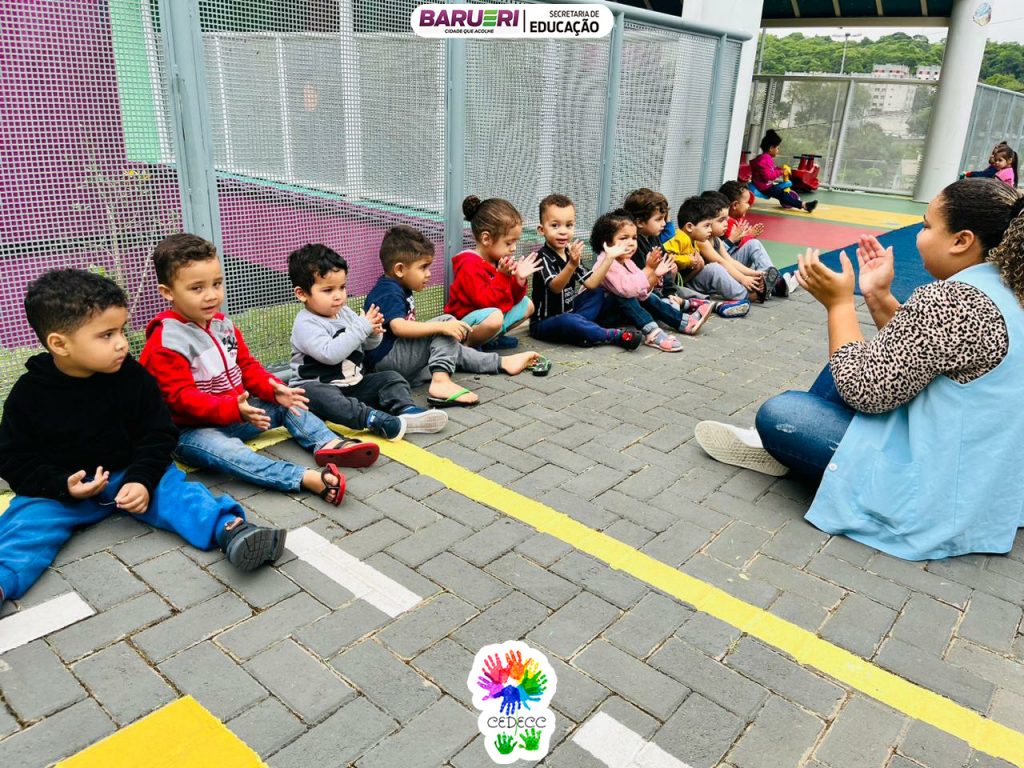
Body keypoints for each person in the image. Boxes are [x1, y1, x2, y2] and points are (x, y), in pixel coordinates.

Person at [695, 177, 1024, 560]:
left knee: (782, 415)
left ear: (961, 240)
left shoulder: (954, 300)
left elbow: (863, 390)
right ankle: (786, 449)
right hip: (979, 477)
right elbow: (921, 351)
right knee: (854, 356)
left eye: (926, 226)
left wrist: (839, 304)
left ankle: (782, 448)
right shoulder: (1007, 289)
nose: (919, 235)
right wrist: (878, 295)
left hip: (933, 488)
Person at [0, 270, 286, 607]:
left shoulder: (132, 377)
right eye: (106, 335)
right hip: (61, 491)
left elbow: (159, 433)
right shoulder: (29, 395)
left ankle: (231, 530)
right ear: (60, 344)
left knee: (178, 494)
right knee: (25, 526)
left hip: (131, 473)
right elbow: (13, 458)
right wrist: (61, 485)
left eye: (122, 330)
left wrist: (141, 479)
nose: (122, 343)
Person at [141, 234, 357, 507]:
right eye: (197, 288)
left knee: (287, 403)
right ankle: (303, 478)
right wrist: (234, 408)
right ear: (167, 292)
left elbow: (246, 366)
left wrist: (273, 389)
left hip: (238, 414)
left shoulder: (222, 324)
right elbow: (181, 399)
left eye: (216, 284)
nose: (211, 295)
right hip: (190, 431)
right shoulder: (166, 343)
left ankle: (327, 443)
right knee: (231, 453)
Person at [364, 225, 539, 408]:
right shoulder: (388, 291)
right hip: (388, 361)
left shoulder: (398, 287)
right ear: (400, 269)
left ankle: (501, 363)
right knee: (446, 323)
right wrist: (441, 326)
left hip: (399, 363)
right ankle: (441, 381)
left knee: (451, 347)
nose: (428, 273)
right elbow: (399, 327)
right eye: (423, 267)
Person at [287, 243, 448, 439]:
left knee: (391, 378)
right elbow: (330, 354)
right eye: (328, 290)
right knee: (312, 392)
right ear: (302, 294)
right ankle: (373, 419)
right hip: (320, 390)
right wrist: (362, 327)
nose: (338, 296)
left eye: (342, 287)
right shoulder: (305, 324)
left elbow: (365, 346)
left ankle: (406, 411)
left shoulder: (344, 313)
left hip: (353, 385)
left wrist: (373, 334)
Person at [527, 193, 642, 349]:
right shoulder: (542, 256)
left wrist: (609, 258)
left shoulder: (570, 253)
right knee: (568, 321)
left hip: (572, 312)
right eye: (555, 225)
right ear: (541, 230)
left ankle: (583, 331)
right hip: (545, 323)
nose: (563, 231)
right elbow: (555, 287)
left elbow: (592, 283)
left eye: (569, 225)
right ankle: (611, 335)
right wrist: (571, 265)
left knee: (597, 292)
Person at [591, 209, 712, 349]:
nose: (631, 243)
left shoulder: (627, 261)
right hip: (598, 315)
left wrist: (656, 274)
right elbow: (627, 290)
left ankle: (683, 322)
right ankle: (652, 333)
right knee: (624, 296)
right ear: (606, 243)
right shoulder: (606, 262)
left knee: (648, 297)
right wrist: (649, 269)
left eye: (634, 238)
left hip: (620, 312)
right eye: (624, 238)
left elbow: (642, 292)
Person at [444, 196, 538, 350]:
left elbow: (509, 299)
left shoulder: (498, 261)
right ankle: (466, 348)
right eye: (509, 242)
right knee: (495, 318)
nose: (514, 248)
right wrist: (503, 277)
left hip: (492, 314)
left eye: (516, 241)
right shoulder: (469, 264)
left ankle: (490, 340)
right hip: (465, 323)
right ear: (486, 239)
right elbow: (485, 302)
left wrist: (519, 280)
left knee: (527, 305)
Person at [663, 196, 751, 317]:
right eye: (707, 226)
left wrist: (698, 266)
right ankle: (742, 296)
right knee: (714, 269)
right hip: (672, 285)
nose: (710, 229)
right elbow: (667, 256)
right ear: (689, 227)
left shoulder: (694, 241)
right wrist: (688, 260)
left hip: (683, 283)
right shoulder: (680, 238)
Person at [701, 190, 781, 303]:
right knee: (715, 268)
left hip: (725, 273)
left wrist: (756, 274)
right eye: (721, 220)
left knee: (754, 244)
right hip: (707, 282)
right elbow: (721, 262)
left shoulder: (716, 239)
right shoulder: (702, 241)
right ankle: (748, 294)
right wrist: (743, 278)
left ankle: (766, 280)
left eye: (726, 219)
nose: (726, 223)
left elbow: (730, 261)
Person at [749, 130, 818, 213]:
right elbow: (768, 176)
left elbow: (772, 169)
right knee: (782, 194)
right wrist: (781, 171)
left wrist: (780, 169)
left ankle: (794, 201)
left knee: (781, 192)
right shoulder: (765, 159)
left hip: (765, 185)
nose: (778, 150)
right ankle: (805, 205)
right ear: (771, 148)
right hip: (764, 188)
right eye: (777, 148)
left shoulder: (766, 158)